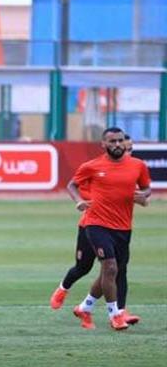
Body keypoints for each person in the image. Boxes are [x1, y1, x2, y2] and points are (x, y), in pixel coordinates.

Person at [50, 133, 146, 325]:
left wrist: (142, 197)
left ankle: (115, 311)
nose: (126, 151)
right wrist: (80, 201)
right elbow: (74, 185)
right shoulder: (95, 168)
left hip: (118, 227)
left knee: (115, 270)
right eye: (124, 147)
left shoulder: (131, 169)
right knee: (84, 267)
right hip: (91, 225)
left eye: (129, 149)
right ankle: (63, 289)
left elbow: (139, 195)